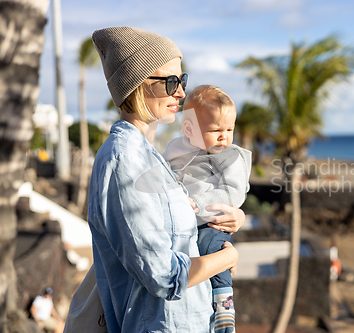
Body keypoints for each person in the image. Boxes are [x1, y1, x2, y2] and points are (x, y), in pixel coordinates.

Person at [88, 27, 243, 333]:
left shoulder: (151, 158)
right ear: (135, 85)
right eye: (170, 81)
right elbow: (163, 274)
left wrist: (228, 215)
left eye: (182, 80)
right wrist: (226, 258)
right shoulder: (124, 161)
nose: (182, 92)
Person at [163, 85, 252, 333]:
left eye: (230, 129)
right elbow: (165, 174)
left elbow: (234, 192)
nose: (224, 137)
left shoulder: (230, 156)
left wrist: (200, 204)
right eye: (215, 130)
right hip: (187, 221)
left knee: (215, 250)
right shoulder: (175, 148)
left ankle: (225, 308)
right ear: (190, 129)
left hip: (213, 220)